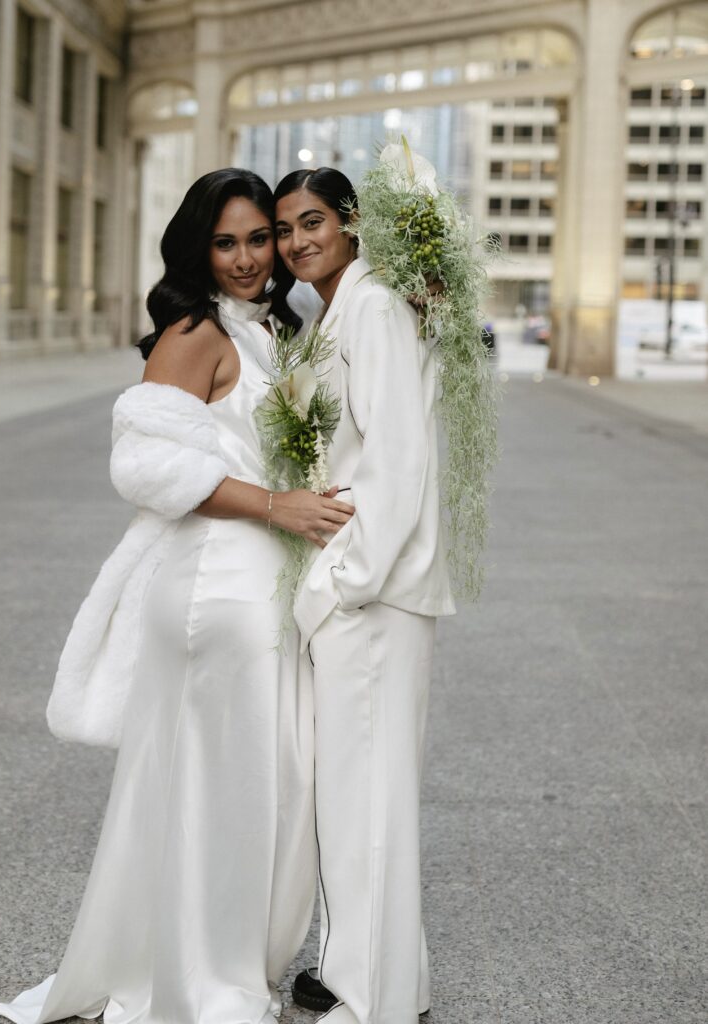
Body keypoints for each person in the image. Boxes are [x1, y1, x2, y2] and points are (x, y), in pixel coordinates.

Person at [0, 168, 354, 1024]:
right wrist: (275, 504)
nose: (244, 258)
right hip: (212, 590)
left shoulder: (274, 326)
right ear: (198, 248)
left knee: (252, 785)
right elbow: (145, 468)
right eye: (224, 242)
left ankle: (212, 961)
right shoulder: (194, 333)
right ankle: (194, 980)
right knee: (217, 790)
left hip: (260, 587)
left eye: (257, 238)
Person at [273, 168, 455, 1024]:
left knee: (369, 800)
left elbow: (397, 460)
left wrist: (346, 584)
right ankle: (372, 974)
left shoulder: (375, 307)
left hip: (373, 594)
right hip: (356, 587)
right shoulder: (334, 310)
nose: (296, 241)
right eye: (284, 230)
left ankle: (372, 1002)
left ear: (350, 222)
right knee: (350, 795)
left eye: (312, 222)